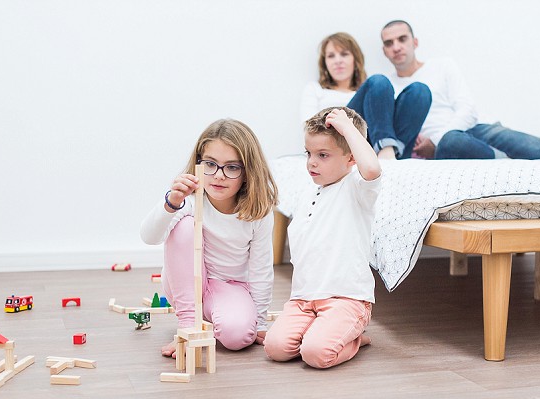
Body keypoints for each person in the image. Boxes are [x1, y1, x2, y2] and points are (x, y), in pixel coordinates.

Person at [140, 119, 278, 354]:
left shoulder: (258, 212)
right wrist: (171, 202)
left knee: (238, 338)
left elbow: (261, 270)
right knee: (183, 226)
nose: (219, 176)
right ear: (198, 164)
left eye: (232, 167)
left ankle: (213, 315)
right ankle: (188, 323)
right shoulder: (190, 200)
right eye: (210, 165)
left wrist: (260, 322)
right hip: (187, 285)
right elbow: (149, 237)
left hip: (230, 288)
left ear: (248, 172)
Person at [264, 107, 379, 369]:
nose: (311, 162)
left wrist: (348, 129)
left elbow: (371, 168)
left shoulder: (357, 189)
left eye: (323, 155)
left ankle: (356, 339)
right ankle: (321, 329)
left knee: (316, 354)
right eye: (309, 153)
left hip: (345, 298)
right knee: (275, 348)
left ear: (350, 158)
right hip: (304, 299)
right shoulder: (308, 193)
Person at [379, 20, 540, 160]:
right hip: (449, 147)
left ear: (415, 42)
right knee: (452, 142)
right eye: (389, 43)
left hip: (476, 128)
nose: (396, 47)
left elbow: (467, 109)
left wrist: (436, 140)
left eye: (402, 39)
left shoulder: (442, 65)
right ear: (384, 51)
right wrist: (437, 144)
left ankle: (503, 155)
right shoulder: (386, 86)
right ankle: (502, 160)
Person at [300, 32, 431, 160]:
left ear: (355, 59)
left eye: (344, 54)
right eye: (331, 56)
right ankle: (384, 150)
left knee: (420, 91)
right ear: (325, 63)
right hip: (342, 143)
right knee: (379, 81)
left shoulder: (374, 92)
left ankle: (390, 151)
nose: (338, 61)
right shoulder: (316, 89)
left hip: (379, 143)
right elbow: (310, 130)